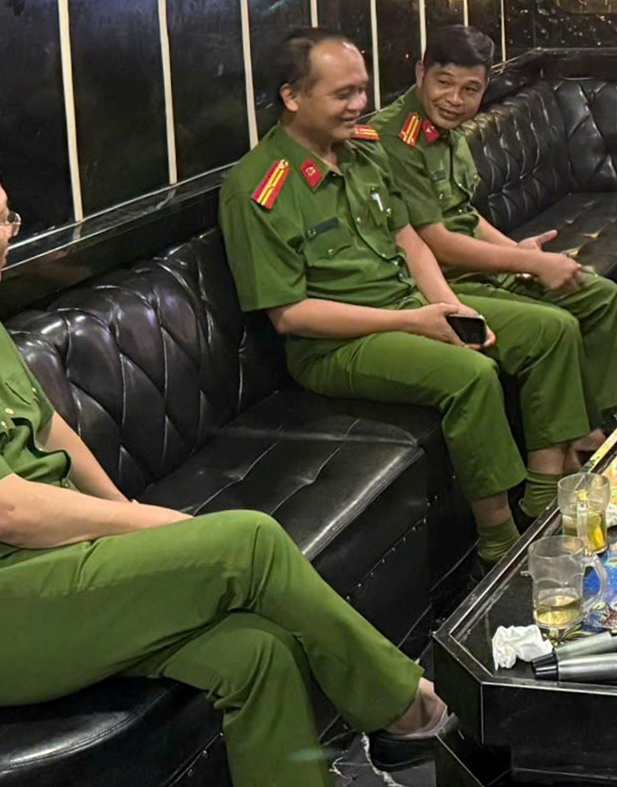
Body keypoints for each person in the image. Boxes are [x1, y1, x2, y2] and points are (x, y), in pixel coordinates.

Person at [0, 138, 451, 787]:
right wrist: (157, 525)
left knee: (255, 654)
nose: (13, 229)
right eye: (2, 217)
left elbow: (49, 428)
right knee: (250, 542)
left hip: (42, 572)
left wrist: (130, 523)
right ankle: (407, 709)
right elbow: (7, 513)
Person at [219, 28, 590, 566]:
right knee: (471, 376)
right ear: (292, 96)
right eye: (343, 94)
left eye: (362, 90)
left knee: (550, 330)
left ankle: (543, 502)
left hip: (411, 305)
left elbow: (408, 239)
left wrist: (450, 307)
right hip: (337, 345)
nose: (359, 105)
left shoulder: (362, 153)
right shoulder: (259, 187)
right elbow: (291, 315)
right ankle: (499, 544)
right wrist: (416, 322)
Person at [370, 25, 617, 450]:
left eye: (470, 89)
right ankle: (563, 457)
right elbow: (435, 242)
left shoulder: (448, 129)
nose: (455, 99)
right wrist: (530, 262)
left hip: (479, 265)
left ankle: (607, 429)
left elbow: (463, 213)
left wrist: (516, 250)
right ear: (420, 73)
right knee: (555, 327)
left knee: (601, 296)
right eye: (443, 83)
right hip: (438, 282)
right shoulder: (393, 139)